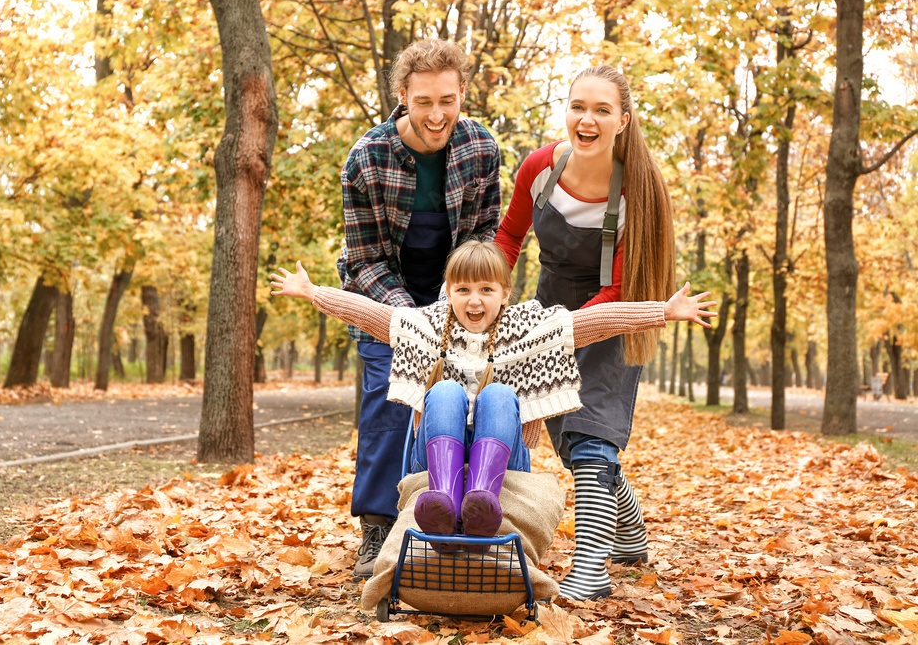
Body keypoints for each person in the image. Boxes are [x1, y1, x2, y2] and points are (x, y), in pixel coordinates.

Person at [271, 241, 716, 541]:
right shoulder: (429, 326)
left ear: (505, 293)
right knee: (443, 391)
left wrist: (664, 311)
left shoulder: (528, 330)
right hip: (433, 462)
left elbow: (592, 323)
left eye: (486, 289)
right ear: (449, 292)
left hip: (506, 463)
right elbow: (369, 313)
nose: (474, 300)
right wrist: (313, 292)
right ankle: (443, 498)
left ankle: (482, 498)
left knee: (500, 396)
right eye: (463, 289)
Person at [495, 65, 677, 601]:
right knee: (570, 443)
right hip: (552, 305)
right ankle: (630, 531)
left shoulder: (638, 190)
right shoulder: (540, 168)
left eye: (602, 110)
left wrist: (560, 335)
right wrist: (485, 297)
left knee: (593, 434)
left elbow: (620, 289)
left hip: (615, 313)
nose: (588, 119)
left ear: (623, 119)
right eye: (578, 106)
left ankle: (590, 568)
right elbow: (509, 238)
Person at [336, 38, 502, 576]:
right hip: (386, 294)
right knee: (388, 404)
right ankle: (378, 527)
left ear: (461, 95)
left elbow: (483, 235)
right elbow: (363, 259)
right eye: (424, 100)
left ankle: (455, 516)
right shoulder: (367, 156)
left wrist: (459, 304)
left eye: (448, 100)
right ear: (402, 94)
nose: (437, 114)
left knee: (464, 403)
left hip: (459, 298)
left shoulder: (481, 149)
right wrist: (410, 318)